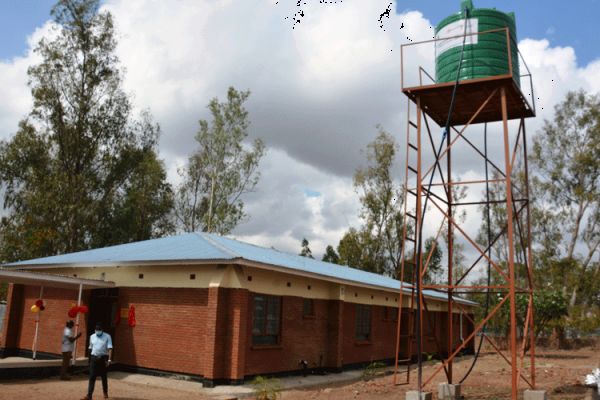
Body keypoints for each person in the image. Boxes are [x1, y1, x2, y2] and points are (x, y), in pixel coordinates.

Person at [81, 323, 113, 400]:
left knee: (103, 377)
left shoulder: (107, 336)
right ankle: (89, 395)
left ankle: (105, 392)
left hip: (103, 358)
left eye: (99, 330)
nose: (97, 331)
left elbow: (110, 348)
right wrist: (89, 359)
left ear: (102, 330)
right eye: (96, 330)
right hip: (93, 358)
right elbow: (90, 347)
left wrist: (109, 359)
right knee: (92, 376)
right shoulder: (92, 336)